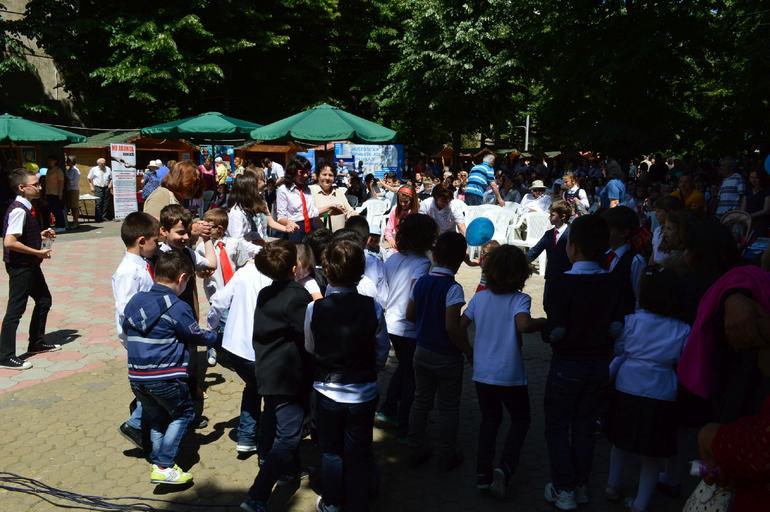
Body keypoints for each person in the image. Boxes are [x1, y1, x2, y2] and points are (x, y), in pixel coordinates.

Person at [543, 214, 625, 510]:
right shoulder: (612, 280)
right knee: (585, 424)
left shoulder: (561, 282)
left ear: (573, 247)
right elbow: (617, 322)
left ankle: (564, 487)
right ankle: (579, 484)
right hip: (599, 364)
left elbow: (554, 325)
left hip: (567, 363)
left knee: (557, 424)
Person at [304, 239, 389, 512]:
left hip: (327, 390)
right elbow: (382, 348)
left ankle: (332, 502)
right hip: (363, 391)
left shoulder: (314, 308)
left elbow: (310, 346)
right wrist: (371, 370)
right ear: (360, 271)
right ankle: (358, 502)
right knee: (359, 450)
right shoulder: (373, 307)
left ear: (327, 270)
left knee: (331, 450)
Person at [123, 249, 219, 485]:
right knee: (184, 414)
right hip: (165, 375)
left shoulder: (136, 301)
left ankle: (158, 462)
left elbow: (126, 328)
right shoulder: (177, 306)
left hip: (137, 375)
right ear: (182, 278)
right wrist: (215, 336)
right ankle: (165, 465)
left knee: (157, 417)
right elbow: (195, 335)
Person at [460, 244, 546, 498]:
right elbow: (523, 325)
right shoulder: (520, 299)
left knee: (489, 421)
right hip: (510, 374)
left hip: (482, 372)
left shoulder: (480, 298)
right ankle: (505, 467)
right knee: (520, 419)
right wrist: (543, 322)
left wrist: (468, 351)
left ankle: (482, 474)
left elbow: (461, 324)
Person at [604, 267, 691, 512]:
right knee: (652, 454)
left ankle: (612, 485)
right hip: (662, 392)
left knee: (619, 442)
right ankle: (641, 503)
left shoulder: (631, 321)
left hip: (627, 386)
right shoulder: (682, 329)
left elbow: (620, 349)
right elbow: (683, 360)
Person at [241, 241, 313, 512]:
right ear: (294, 268)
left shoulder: (265, 293)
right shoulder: (297, 296)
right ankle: (257, 495)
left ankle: (288, 470)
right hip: (287, 376)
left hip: (267, 371)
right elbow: (308, 335)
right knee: (288, 436)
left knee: (276, 423)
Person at [405, 232, 472, 472]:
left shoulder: (420, 282)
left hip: (421, 350)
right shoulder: (453, 288)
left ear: (435, 255)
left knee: (421, 401)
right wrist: (468, 351)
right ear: (460, 259)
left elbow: (410, 315)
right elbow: (452, 327)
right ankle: (446, 456)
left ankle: (414, 449)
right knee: (448, 407)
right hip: (446, 356)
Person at [377, 214, 437, 439]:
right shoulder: (422, 264)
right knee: (412, 375)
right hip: (408, 326)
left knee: (404, 367)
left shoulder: (393, 259)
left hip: (391, 321)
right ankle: (405, 423)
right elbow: (416, 294)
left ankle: (389, 408)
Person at [207, 251, 273, 455]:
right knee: (271, 396)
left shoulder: (244, 272)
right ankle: (267, 445)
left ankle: (246, 436)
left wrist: (211, 327)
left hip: (236, 349)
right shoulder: (278, 276)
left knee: (253, 387)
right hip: (262, 350)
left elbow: (219, 301)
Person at [0, 168, 59, 370]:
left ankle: (36, 342)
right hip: (21, 267)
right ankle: (5, 356)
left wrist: (40, 235)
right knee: (16, 310)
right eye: (35, 184)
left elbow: (21, 235)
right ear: (22, 187)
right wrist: (37, 252)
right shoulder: (18, 210)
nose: (39, 187)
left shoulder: (26, 207)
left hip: (29, 265)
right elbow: (9, 242)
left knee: (44, 300)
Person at [112, 211, 160, 449]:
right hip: (140, 337)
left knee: (149, 382)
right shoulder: (128, 271)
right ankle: (135, 423)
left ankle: (142, 419)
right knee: (152, 384)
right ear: (142, 241)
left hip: (146, 335)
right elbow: (126, 308)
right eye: (155, 241)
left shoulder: (141, 264)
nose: (157, 245)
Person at [196, 208, 258, 303]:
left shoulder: (235, 244)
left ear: (219, 229)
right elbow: (199, 271)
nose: (204, 228)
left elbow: (242, 265)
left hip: (235, 292)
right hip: (215, 293)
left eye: (208, 226)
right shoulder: (202, 247)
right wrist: (202, 273)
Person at [277, 156, 339, 241]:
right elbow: (281, 217)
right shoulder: (283, 190)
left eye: (307, 172)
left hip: (311, 229)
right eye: (302, 172)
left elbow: (312, 212)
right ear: (292, 171)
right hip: (295, 229)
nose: (305, 175)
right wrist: (288, 222)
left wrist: (331, 207)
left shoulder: (307, 189)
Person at [526, 200, 572, 314]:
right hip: (551, 278)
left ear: (563, 216)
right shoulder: (549, 234)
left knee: (566, 308)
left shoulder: (572, 233)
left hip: (568, 278)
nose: (549, 217)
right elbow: (534, 251)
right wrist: (518, 261)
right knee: (548, 305)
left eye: (552, 215)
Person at [227, 171, 294, 243]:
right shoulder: (237, 213)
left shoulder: (249, 208)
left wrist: (286, 228)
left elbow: (268, 223)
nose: (265, 183)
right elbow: (238, 241)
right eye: (262, 179)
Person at [603, 206, 646, 314]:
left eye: (608, 229)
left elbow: (639, 298)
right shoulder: (604, 256)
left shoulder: (635, 261)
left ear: (624, 232)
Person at [310, 159, 355, 232]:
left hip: (339, 237)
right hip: (319, 237)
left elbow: (350, 212)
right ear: (318, 176)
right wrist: (330, 208)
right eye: (324, 174)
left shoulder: (338, 192)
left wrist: (357, 217)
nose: (327, 178)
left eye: (330, 175)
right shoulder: (310, 191)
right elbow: (307, 214)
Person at [650, 196, 683, 264]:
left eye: (658, 211)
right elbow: (654, 252)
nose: (656, 214)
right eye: (655, 211)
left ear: (669, 212)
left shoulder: (676, 234)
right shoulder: (657, 230)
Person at [383, 185, 418, 250]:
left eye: (406, 202)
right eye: (400, 201)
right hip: (397, 244)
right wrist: (391, 240)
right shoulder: (395, 211)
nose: (402, 204)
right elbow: (388, 229)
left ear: (412, 200)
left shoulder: (419, 212)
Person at [741, 169, 770, 236]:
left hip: (761, 222)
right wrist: (744, 217)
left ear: (761, 178)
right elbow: (743, 207)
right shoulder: (747, 190)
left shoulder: (767, 190)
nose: (753, 180)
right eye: (751, 177)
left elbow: (767, 210)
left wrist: (750, 216)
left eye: (756, 178)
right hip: (747, 222)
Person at [44, 155, 66, 232]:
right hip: (49, 192)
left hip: (56, 193)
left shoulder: (58, 170)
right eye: (49, 160)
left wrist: (60, 193)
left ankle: (62, 226)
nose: (49, 162)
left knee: (58, 210)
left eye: (51, 160)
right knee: (52, 210)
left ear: (55, 161)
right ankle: (57, 225)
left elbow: (61, 182)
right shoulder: (48, 170)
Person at [88, 157, 112, 222]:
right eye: (102, 164)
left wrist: (110, 184)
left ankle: (104, 217)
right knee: (98, 202)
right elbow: (89, 178)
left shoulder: (108, 169)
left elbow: (111, 178)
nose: (103, 165)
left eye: (104, 163)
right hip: (98, 187)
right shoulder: (94, 169)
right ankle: (98, 218)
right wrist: (91, 186)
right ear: (98, 163)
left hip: (106, 187)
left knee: (106, 203)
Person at [64, 155, 81, 229]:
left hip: (73, 189)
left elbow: (74, 181)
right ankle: (74, 222)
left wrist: (67, 177)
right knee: (71, 207)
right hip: (69, 189)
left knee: (74, 207)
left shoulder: (75, 170)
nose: (66, 162)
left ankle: (76, 222)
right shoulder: (69, 169)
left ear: (72, 162)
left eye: (68, 161)